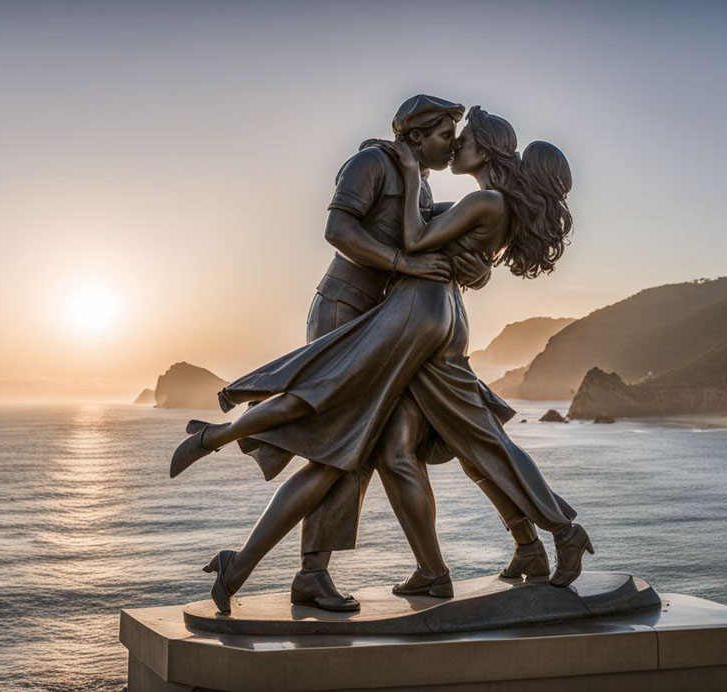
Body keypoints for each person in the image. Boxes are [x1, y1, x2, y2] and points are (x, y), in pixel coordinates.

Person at [172, 106, 589, 615]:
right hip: (395, 310)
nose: (453, 144)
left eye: (460, 137)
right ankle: (478, 558)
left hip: (416, 316)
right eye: (444, 135)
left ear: (486, 148)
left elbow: (424, 236)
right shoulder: (395, 171)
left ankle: (221, 445)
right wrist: (461, 260)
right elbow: (370, 231)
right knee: (398, 447)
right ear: (417, 133)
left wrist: (424, 197)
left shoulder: (469, 195)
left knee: (362, 418)